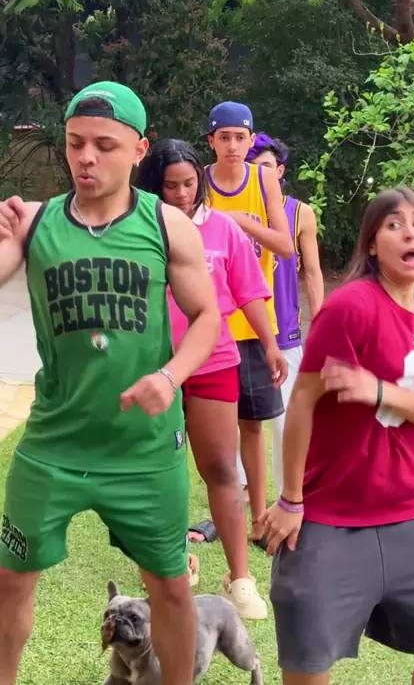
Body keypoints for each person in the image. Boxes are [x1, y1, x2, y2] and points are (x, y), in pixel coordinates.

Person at [0, 82, 220, 685]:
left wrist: (170, 376)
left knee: (170, 585)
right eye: (75, 143)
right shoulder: (34, 222)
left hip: (144, 448)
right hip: (54, 443)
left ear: (139, 149)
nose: (86, 157)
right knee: (10, 580)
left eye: (104, 145)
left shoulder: (167, 225)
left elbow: (208, 316)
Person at [264, 187, 414, 685]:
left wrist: (378, 390)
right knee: (308, 663)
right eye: (394, 224)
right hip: (331, 512)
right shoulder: (349, 308)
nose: (410, 232)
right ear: (372, 245)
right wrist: (291, 499)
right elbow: (303, 402)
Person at [135, 138, 288, 619]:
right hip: (152, 367)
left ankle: (240, 578)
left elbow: (249, 293)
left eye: (189, 184)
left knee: (222, 468)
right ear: (153, 186)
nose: (182, 194)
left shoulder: (222, 228)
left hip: (214, 363)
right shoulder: (137, 230)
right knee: (160, 469)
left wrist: (270, 344)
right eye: (171, 186)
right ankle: (175, 561)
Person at [204, 102, 293, 548]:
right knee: (210, 429)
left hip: (256, 323)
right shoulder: (199, 181)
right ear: (211, 141)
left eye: (240, 137)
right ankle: (224, 511)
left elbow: (285, 245)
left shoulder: (262, 180)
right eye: (224, 137)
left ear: (251, 140)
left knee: (253, 425)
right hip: (209, 326)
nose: (233, 145)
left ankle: (259, 518)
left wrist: (240, 222)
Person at [237, 133, 324, 495]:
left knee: (286, 423)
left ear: (280, 171)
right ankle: (239, 496)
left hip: (284, 332)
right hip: (238, 333)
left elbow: (313, 273)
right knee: (240, 424)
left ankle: (289, 498)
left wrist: (321, 327)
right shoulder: (231, 208)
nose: (259, 174)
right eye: (252, 168)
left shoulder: (299, 213)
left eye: (266, 167)